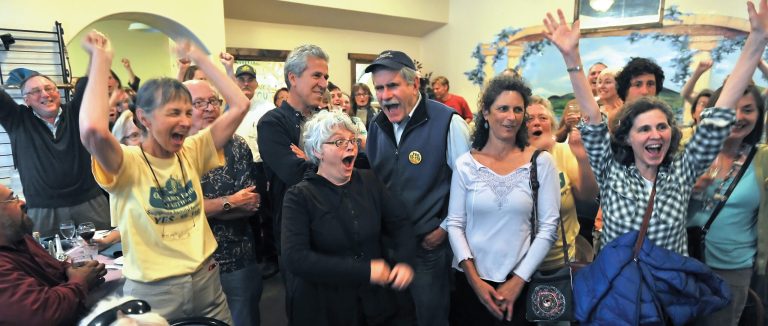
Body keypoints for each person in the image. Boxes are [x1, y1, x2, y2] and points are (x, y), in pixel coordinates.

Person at [543, 0, 766, 255]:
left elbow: (721, 112)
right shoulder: (610, 170)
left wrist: (757, 40)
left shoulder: (683, 171)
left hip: (666, 290)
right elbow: (593, 121)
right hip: (620, 289)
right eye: (644, 129)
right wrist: (572, 58)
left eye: (662, 126)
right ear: (627, 137)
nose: (655, 134)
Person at [79, 31, 250, 322]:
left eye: (187, 112)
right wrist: (100, 60)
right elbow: (93, 131)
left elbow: (240, 105)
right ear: (144, 118)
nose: (185, 121)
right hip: (154, 291)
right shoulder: (125, 162)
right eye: (173, 112)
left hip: (207, 279)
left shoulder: (193, 150)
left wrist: (200, 58)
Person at [282, 110, 417, 325]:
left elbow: (400, 223)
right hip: (328, 306)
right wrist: (365, 271)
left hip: (375, 302)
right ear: (317, 150)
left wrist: (404, 261)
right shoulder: (299, 196)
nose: (350, 146)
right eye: (338, 142)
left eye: (352, 140)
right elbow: (296, 258)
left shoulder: (370, 181)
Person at [366, 50, 471, 326]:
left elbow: (468, 187)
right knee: (396, 317)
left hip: (428, 248)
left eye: (392, 85)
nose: (385, 95)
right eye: (379, 88)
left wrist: (444, 229)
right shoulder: (377, 125)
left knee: (430, 318)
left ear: (414, 84)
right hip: (388, 246)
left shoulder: (449, 122)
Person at [445, 76, 559, 325]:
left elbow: (549, 227)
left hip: (521, 284)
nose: (511, 117)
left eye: (518, 109)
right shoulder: (466, 164)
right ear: (486, 113)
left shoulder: (540, 163)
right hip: (470, 283)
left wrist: (518, 281)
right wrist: (475, 281)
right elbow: (454, 223)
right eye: (503, 108)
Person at [687, 83, 767, 326]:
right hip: (683, 262)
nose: (738, 117)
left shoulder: (763, 159)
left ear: (759, 115)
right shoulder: (688, 153)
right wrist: (684, 191)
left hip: (732, 270)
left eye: (748, 110)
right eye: (730, 108)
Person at [187, 79, 263, 326]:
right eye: (200, 103)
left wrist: (204, 207)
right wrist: (229, 202)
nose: (209, 108)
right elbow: (177, 211)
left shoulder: (238, 145)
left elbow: (249, 204)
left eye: (214, 101)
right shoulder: (172, 150)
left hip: (237, 257)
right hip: (190, 265)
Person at [0, 71, 110, 237]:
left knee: (107, 254)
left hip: (90, 203)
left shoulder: (77, 113)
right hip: (42, 210)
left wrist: (97, 53)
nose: (45, 94)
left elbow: (88, 84)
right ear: (26, 100)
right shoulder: (17, 119)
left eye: (49, 88)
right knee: (48, 258)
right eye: (36, 91)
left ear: (58, 92)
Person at [0, 184, 107, 325]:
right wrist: (81, 281)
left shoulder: (19, 237)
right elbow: (44, 314)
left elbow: (51, 267)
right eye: (12, 199)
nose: (22, 202)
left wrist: (70, 269)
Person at [257, 44, 328, 259]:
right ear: (293, 78)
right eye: (317, 75)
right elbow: (296, 174)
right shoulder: (272, 123)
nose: (324, 84)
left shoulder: (326, 120)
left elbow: (350, 167)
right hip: (296, 229)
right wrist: (326, 161)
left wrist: (310, 160)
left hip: (331, 223)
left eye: (326, 77)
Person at [527, 95, 598, 270]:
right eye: (529, 119)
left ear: (551, 125)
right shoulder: (510, 157)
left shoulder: (563, 152)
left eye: (543, 118)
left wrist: (582, 158)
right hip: (518, 262)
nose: (537, 123)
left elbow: (587, 195)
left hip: (561, 260)